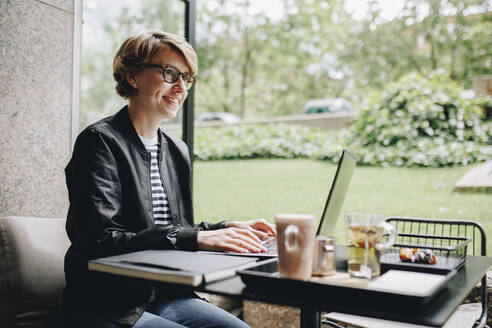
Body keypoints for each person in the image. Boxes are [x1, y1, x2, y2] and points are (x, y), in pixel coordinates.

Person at [63, 30, 276, 328]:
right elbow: (100, 239)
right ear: (132, 77)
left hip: (165, 295)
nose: (181, 88)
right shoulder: (99, 142)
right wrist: (196, 238)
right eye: (170, 73)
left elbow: (172, 229)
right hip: (108, 303)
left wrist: (225, 229)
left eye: (187, 78)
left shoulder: (176, 149)